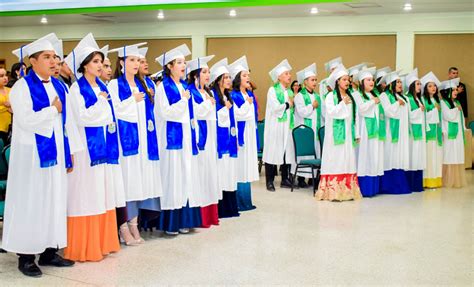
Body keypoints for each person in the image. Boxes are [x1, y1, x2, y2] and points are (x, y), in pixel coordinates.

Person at [2, 33, 81, 277]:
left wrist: (70, 152)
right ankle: (26, 257)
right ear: (32, 62)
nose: (53, 61)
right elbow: (26, 121)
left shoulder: (59, 85)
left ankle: (49, 250)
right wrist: (52, 110)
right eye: (46, 57)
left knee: (54, 201)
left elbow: (68, 122)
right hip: (31, 158)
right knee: (32, 202)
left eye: (54, 57)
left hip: (56, 156)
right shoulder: (22, 87)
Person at [63, 33, 125, 261]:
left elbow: (110, 116)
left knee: (102, 194)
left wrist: (102, 106)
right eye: (96, 62)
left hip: (103, 149)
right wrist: (100, 103)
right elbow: (84, 118)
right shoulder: (77, 90)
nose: (100, 66)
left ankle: (102, 242)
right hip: (86, 152)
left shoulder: (102, 87)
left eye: (101, 61)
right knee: (86, 195)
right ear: (84, 65)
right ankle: (85, 246)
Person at [108, 43, 163, 242]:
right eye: (131, 60)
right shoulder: (114, 85)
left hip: (144, 142)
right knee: (128, 182)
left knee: (139, 182)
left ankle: (135, 224)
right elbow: (114, 111)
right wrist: (132, 100)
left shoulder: (143, 84)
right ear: (121, 63)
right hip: (126, 143)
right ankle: (123, 227)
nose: (136, 63)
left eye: (138, 60)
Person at [155, 44, 202, 235]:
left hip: (186, 139)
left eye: (185, 62)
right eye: (180, 62)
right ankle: (171, 222)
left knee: (186, 177)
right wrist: (183, 100)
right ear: (169, 66)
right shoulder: (162, 88)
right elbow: (166, 113)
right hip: (171, 141)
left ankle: (185, 220)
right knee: (173, 178)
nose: (184, 66)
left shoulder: (184, 86)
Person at [315, 64, 362, 201]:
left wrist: (357, 133)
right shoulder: (330, 96)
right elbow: (331, 112)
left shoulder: (351, 97)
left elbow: (355, 116)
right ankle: (334, 192)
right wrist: (342, 103)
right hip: (335, 136)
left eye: (348, 79)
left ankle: (348, 191)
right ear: (337, 81)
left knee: (347, 160)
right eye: (344, 79)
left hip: (348, 135)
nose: (347, 82)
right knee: (336, 160)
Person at [187, 55, 221, 227]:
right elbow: (197, 112)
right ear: (195, 75)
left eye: (209, 72)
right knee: (200, 172)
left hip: (211, 138)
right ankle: (200, 215)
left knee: (209, 172)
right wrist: (208, 104)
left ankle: (211, 213)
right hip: (199, 137)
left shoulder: (208, 92)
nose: (208, 75)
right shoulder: (191, 92)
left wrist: (208, 102)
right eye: (204, 72)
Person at [210, 58, 240, 218]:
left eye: (229, 77)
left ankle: (230, 207)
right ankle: (221, 208)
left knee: (229, 172)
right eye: (226, 77)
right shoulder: (214, 96)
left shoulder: (229, 96)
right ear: (219, 80)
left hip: (230, 140)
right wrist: (224, 110)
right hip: (219, 142)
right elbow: (215, 117)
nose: (229, 80)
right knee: (222, 172)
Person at [229, 56, 259, 211]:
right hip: (240, 134)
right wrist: (247, 105)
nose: (248, 78)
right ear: (237, 79)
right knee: (241, 165)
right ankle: (239, 201)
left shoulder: (249, 94)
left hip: (249, 132)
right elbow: (239, 115)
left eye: (248, 75)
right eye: (244, 75)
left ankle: (246, 201)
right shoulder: (234, 95)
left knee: (247, 165)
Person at [263, 59, 296, 191]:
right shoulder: (272, 90)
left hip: (287, 126)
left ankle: (285, 179)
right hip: (275, 127)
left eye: (289, 74)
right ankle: (269, 181)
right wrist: (288, 104)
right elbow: (276, 108)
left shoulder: (289, 92)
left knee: (286, 152)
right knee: (272, 151)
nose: (289, 76)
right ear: (279, 77)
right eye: (286, 74)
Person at [352, 67, 384, 197]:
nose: (372, 82)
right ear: (361, 82)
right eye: (368, 80)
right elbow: (361, 110)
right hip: (364, 131)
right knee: (365, 157)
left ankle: (374, 188)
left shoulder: (374, 95)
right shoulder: (357, 95)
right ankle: (364, 188)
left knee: (374, 157)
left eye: (372, 80)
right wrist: (372, 102)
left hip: (375, 131)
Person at [378, 71, 410, 194]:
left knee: (398, 156)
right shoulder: (384, 96)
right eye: (397, 82)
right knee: (390, 156)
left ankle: (400, 185)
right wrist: (397, 103)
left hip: (401, 132)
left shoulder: (401, 97)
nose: (400, 84)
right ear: (391, 84)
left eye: (401, 82)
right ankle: (389, 186)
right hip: (390, 131)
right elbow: (388, 112)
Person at [293, 63, 322, 188]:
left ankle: (313, 178)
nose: (315, 82)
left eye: (316, 80)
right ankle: (301, 179)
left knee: (316, 151)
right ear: (305, 82)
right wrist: (312, 106)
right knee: (305, 153)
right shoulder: (300, 96)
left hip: (315, 129)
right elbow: (302, 112)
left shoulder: (317, 96)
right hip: (304, 129)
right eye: (312, 80)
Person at [440, 77, 467, 188]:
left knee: (457, 154)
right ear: (448, 91)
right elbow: (448, 116)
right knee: (449, 154)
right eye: (454, 90)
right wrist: (457, 109)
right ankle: (447, 179)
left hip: (458, 133)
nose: (456, 92)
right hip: (449, 133)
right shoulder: (443, 102)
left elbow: (460, 118)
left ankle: (456, 180)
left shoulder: (456, 102)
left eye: (456, 90)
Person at [404, 69, 426, 192]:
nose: (420, 86)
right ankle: (412, 184)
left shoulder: (418, 99)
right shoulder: (408, 98)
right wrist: (419, 111)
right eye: (417, 84)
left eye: (420, 84)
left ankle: (418, 185)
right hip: (412, 133)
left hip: (420, 132)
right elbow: (409, 116)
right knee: (413, 157)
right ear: (412, 85)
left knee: (419, 158)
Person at [420, 72, 443, 188]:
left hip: (437, 132)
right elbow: (424, 116)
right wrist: (434, 110)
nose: (433, 88)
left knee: (436, 156)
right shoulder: (423, 100)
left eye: (434, 86)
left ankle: (435, 180)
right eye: (430, 86)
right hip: (429, 133)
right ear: (425, 88)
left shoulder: (437, 100)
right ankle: (427, 181)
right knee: (429, 157)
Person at [0, 67, 12, 144]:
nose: (5, 78)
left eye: (6, 75)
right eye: (1, 76)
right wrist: (6, 108)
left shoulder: (10, 90)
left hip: (9, 127)